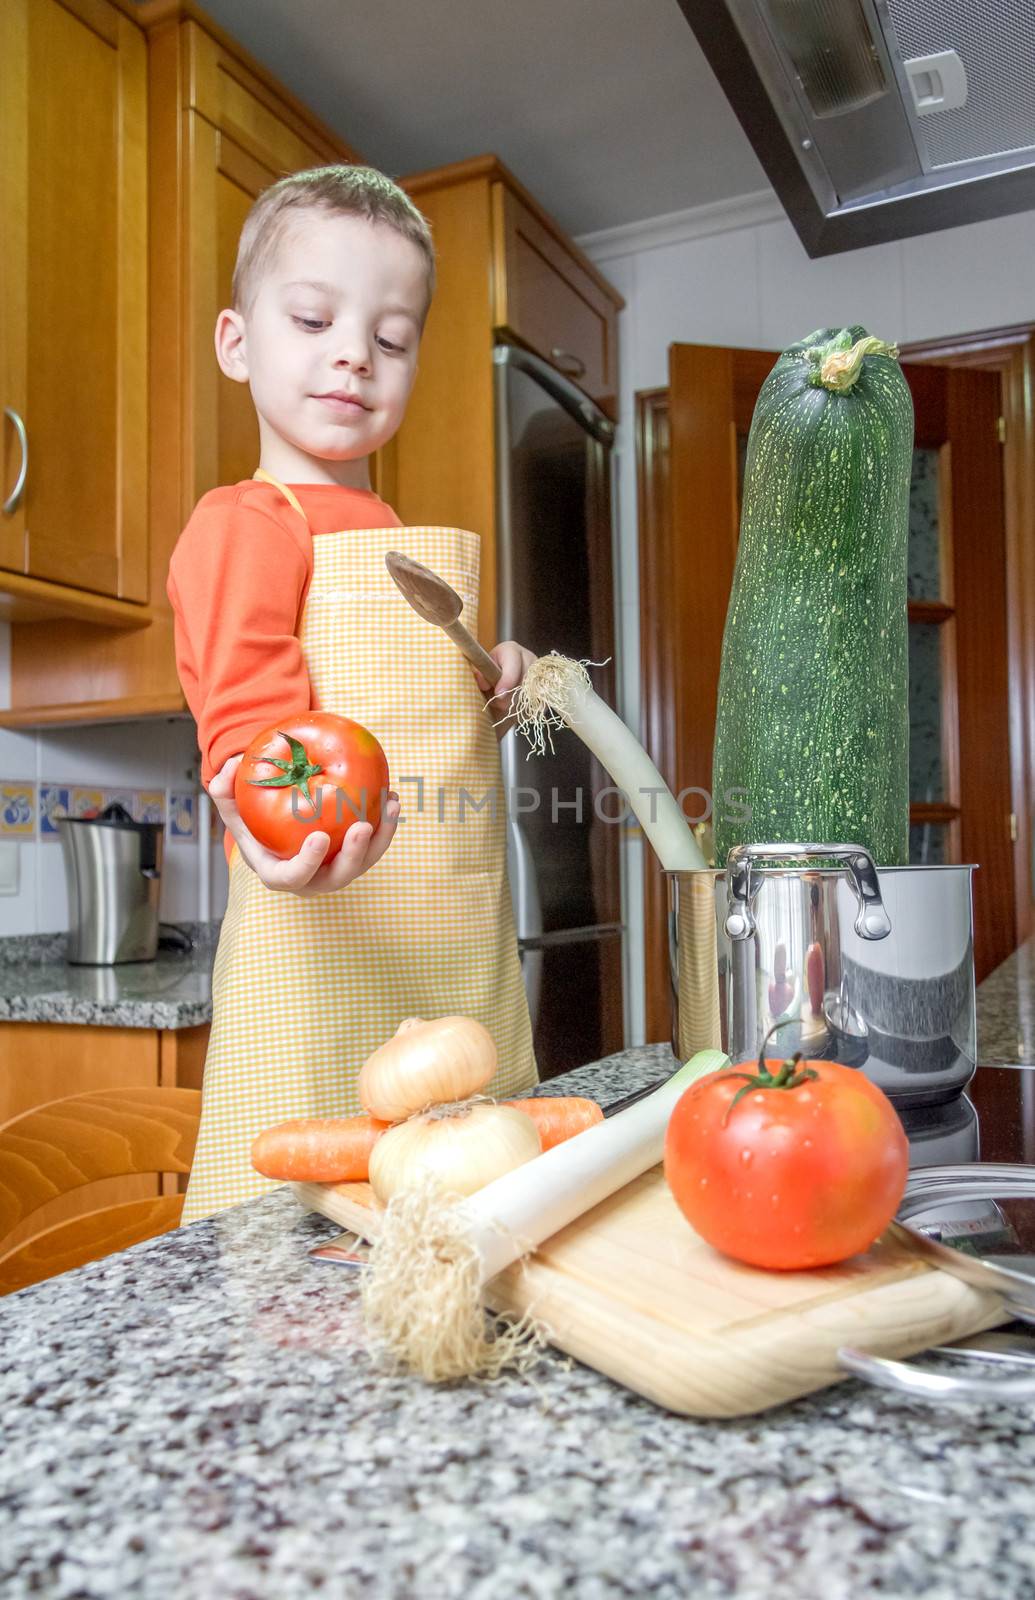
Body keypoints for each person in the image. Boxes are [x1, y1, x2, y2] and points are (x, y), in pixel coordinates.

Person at [168, 165, 538, 1221]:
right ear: (239, 344)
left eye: (391, 336)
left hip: (446, 958)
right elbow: (249, 733)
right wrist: (277, 836)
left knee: (467, 1211)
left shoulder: (394, 542)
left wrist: (492, 677)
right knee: (302, 1242)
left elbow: (420, 716)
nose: (353, 354)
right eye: (315, 318)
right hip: (320, 954)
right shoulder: (247, 521)